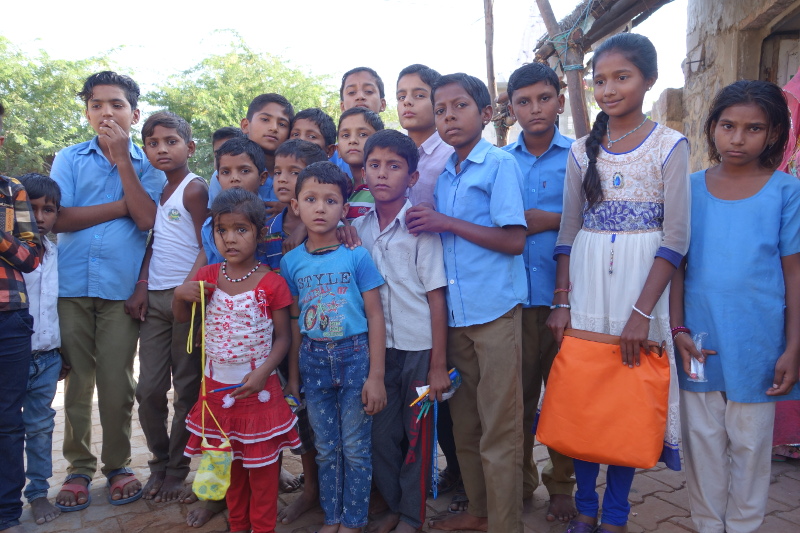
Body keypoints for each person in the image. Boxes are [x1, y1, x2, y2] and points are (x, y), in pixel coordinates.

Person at [546, 34, 690, 533]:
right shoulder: (582, 153)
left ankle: (616, 513)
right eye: (599, 80)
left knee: (627, 397)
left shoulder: (670, 145)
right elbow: (567, 232)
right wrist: (561, 300)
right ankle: (585, 505)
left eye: (621, 77)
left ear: (649, 79)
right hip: (586, 284)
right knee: (587, 395)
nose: (608, 89)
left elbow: (676, 237)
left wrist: (642, 313)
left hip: (641, 286)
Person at [671, 80, 800, 533]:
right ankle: (708, 525)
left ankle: (744, 526)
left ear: (774, 134)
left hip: (759, 342)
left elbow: (794, 273)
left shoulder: (786, 192)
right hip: (698, 341)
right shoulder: (687, 190)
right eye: (728, 126)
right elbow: (675, 266)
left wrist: (793, 346)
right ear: (712, 128)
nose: (738, 138)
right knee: (703, 443)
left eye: (753, 128)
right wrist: (677, 329)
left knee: (750, 444)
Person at [406, 73, 528, 533]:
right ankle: (478, 511)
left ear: (487, 113)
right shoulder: (444, 174)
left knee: (500, 427)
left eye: (460, 106)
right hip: (456, 317)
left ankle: (505, 523)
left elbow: (514, 240)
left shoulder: (498, 165)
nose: (449, 116)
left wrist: (447, 222)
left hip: (495, 312)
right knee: (464, 425)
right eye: (441, 110)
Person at [50, 71, 165, 510]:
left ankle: (118, 465)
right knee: (77, 383)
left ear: (134, 114)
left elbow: (147, 221)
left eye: (116, 104)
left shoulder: (148, 163)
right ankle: (79, 468)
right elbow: (59, 218)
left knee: (118, 383)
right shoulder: (69, 158)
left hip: (122, 291)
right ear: (86, 112)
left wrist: (122, 161)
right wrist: (123, 204)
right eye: (97, 104)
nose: (106, 112)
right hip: (71, 286)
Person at [174, 188, 301, 533]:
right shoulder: (207, 277)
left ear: (260, 234)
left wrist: (263, 372)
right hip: (217, 394)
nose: (230, 238)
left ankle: (262, 527)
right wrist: (179, 296)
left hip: (258, 391)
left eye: (240, 229)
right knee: (227, 467)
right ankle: (238, 524)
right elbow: (183, 318)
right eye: (221, 230)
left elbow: (284, 337)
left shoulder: (272, 283)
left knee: (262, 472)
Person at [280, 161, 387, 533]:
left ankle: (354, 520)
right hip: (313, 360)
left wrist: (376, 376)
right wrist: (293, 378)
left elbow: (375, 315)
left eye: (330, 200)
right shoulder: (290, 262)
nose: (320, 207)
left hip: (355, 356)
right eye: (311, 199)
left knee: (356, 448)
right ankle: (333, 517)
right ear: (297, 206)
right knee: (326, 448)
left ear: (345, 208)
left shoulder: (356, 255)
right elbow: (294, 323)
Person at [352, 130, 449, 533]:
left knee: (418, 438)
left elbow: (437, 298)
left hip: (420, 352)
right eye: (374, 165)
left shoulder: (420, 227)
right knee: (380, 435)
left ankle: (413, 515)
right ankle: (393, 503)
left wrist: (438, 366)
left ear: (411, 177)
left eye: (394, 166)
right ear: (363, 172)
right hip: (377, 352)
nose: (382, 174)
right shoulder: (359, 229)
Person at [502, 62, 577, 522]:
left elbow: (600, 219)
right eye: (524, 102)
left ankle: (563, 484)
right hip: (513, 299)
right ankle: (522, 481)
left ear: (561, 101)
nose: (535, 109)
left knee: (565, 396)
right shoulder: (501, 161)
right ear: (511, 110)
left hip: (565, 298)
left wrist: (549, 220)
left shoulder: (581, 156)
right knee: (519, 399)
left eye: (544, 99)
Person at [125, 111, 208, 503]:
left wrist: (187, 290)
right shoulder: (158, 189)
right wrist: (142, 284)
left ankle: (177, 470)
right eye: (154, 143)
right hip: (155, 298)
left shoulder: (194, 189)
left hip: (185, 298)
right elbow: (155, 243)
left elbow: (207, 243)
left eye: (171, 142)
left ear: (189, 147)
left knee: (187, 388)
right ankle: (159, 463)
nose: (162, 149)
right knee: (149, 389)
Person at [0, 101, 43, 533]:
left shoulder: (11, 190)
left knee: (7, 420)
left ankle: (7, 513)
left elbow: (32, 257)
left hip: (8, 319)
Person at [17, 174, 67, 526]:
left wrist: (61, 352)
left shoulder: (54, 250)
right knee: (7, 427)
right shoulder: (10, 254)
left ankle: (37, 493)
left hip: (47, 357)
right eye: (30, 208)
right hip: (13, 356)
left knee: (39, 427)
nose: (39, 216)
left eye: (47, 209)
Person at [208, 93, 294, 212]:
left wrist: (290, 211)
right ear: (245, 125)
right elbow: (215, 220)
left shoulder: (297, 172)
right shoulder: (224, 175)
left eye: (282, 124)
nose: (274, 128)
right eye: (265, 119)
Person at [396, 64, 454, 207]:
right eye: (401, 97)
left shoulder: (452, 156)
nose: (407, 102)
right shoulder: (391, 152)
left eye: (420, 95)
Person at [332, 67, 387, 177]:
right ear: (342, 106)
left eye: (369, 91)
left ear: (383, 104)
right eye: (352, 92)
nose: (360, 97)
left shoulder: (396, 151)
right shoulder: (333, 156)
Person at [337, 107, 384, 219]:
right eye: (345, 135)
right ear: (338, 149)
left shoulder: (384, 189)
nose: (352, 140)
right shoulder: (339, 189)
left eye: (363, 134)